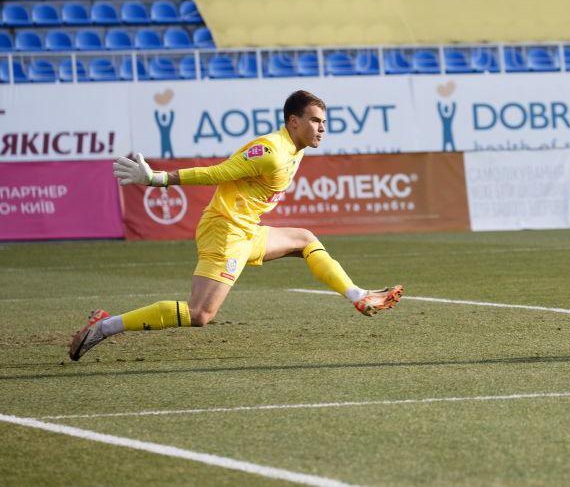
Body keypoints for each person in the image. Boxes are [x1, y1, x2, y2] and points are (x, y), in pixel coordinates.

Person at [69, 90, 404, 361]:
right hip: (226, 231)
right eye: (315, 121)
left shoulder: (296, 148)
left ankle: (357, 294)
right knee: (200, 314)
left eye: (324, 122)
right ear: (293, 121)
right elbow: (216, 172)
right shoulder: (271, 151)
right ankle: (102, 328)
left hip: (245, 230)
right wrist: (157, 179)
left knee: (304, 239)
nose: (322, 128)